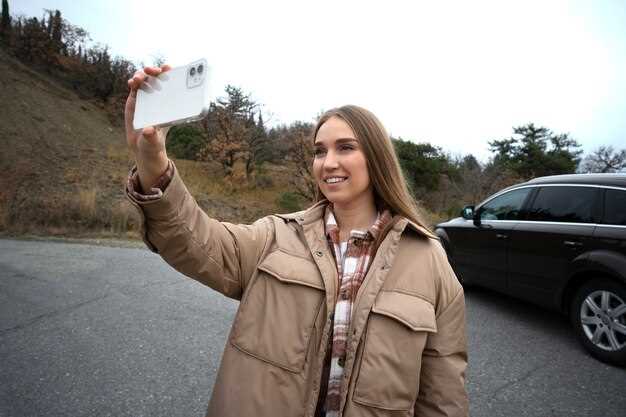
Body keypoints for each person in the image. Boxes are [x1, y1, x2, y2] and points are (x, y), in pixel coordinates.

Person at [124, 65, 469, 417]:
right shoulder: (274, 237)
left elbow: (442, 400)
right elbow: (194, 240)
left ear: (377, 158)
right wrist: (152, 159)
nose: (328, 163)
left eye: (345, 147)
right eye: (320, 151)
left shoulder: (431, 262)